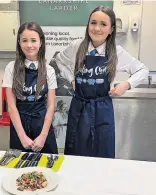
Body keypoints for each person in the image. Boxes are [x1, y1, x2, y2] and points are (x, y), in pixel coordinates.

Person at [55, 6, 149, 158]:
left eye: (103, 24)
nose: (97, 28)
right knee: (76, 151)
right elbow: (59, 60)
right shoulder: (77, 46)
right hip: (79, 107)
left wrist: (126, 84)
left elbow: (143, 70)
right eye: (93, 23)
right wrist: (71, 79)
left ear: (111, 29)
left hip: (102, 110)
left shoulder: (116, 52)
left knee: (102, 152)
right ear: (88, 26)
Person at [2, 21, 58, 154]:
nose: (29, 45)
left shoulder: (49, 70)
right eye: (24, 40)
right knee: (21, 166)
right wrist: (22, 136)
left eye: (33, 40)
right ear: (19, 43)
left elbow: (51, 106)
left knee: (48, 166)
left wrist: (43, 136)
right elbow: (11, 106)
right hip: (19, 124)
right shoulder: (11, 68)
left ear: (41, 42)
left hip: (42, 123)